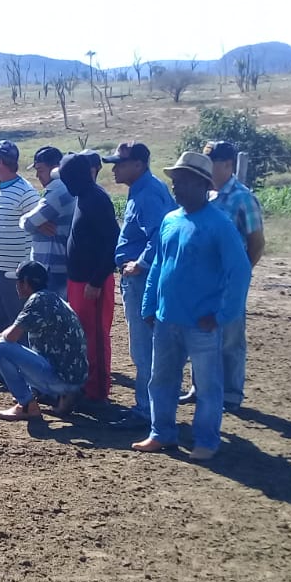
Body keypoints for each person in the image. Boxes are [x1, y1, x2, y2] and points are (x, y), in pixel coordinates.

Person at [132, 152, 250, 461]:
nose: (176, 187)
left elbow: (239, 272)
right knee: (161, 379)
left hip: (202, 322)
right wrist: (149, 304)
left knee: (208, 386)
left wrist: (224, 315)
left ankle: (206, 440)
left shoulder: (219, 225)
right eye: (175, 181)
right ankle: (161, 432)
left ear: (202, 185)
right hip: (166, 318)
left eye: (183, 181)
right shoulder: (171, 220)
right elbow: (159, 264)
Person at [180, 141, 266, 409]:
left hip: (227, 282)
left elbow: (256, 242)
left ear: (228, 164)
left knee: (230, 338)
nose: (207, 168)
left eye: (212, 162)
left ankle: (231, 393)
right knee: (199, 333)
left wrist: (239, 276)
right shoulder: (206, 196)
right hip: (201, 282)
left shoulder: (243, 198)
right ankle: (199, 386)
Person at [106, 141, 176, 430]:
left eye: (120, 164)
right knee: (148, 345)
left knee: (143, 347)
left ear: (138, 164)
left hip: (142, 279)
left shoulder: (147, 193)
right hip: (143, 278)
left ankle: (147, 410)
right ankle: (151, 407)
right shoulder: (145, 188)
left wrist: (141, 263)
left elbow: (160, 233)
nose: (114, 169)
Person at [57, 151, 121, 403]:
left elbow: (113, 242)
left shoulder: (96, 199)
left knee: (95, 338)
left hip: (92, 283)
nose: (65, 184)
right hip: (78, 280)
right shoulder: (83, 196)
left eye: (66, 178)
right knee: (82, 336)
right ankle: (87, 385)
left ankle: (98, 392)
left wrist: (96, 281)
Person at [0, 261, 90, 421]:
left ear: (25, 283)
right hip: (74, 376)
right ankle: (56, 395)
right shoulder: (52, 298)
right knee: (29, 346)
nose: (16, 285)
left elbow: (10, 336)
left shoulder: (38, 301)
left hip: (61, 379)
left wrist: (0, 335)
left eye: (18, 281)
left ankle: (26, 405)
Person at [0, 140, 41, 339]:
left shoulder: (26, 192)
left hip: (14, 272)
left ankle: (19, 358)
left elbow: (39, 225)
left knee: (17, 322)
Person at [19, 146, 75, 298]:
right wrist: (37, 225)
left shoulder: (58, 193)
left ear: (55, 168)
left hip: (53, 266)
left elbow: (28, 223)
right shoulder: (60, 190)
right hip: (55, 265)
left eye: (40, 170)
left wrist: (34, 224)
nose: (37, 175)